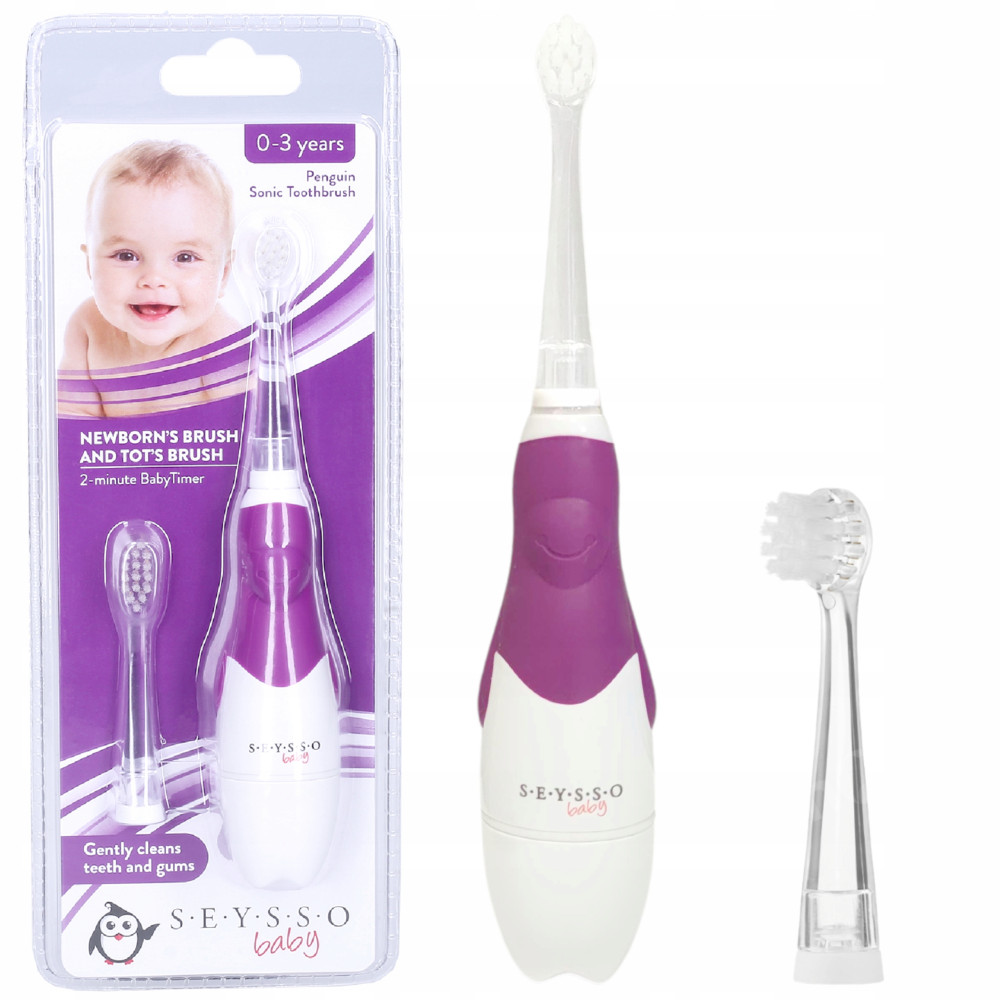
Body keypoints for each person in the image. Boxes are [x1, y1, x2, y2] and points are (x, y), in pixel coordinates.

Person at [59, 140, 241, 416]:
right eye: (126, 255)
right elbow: (70, 420)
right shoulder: (87, 328)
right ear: (89, 265)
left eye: (184, 257)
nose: (154, 279)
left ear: (223, 274)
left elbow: (252, 428)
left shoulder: (221, 345)